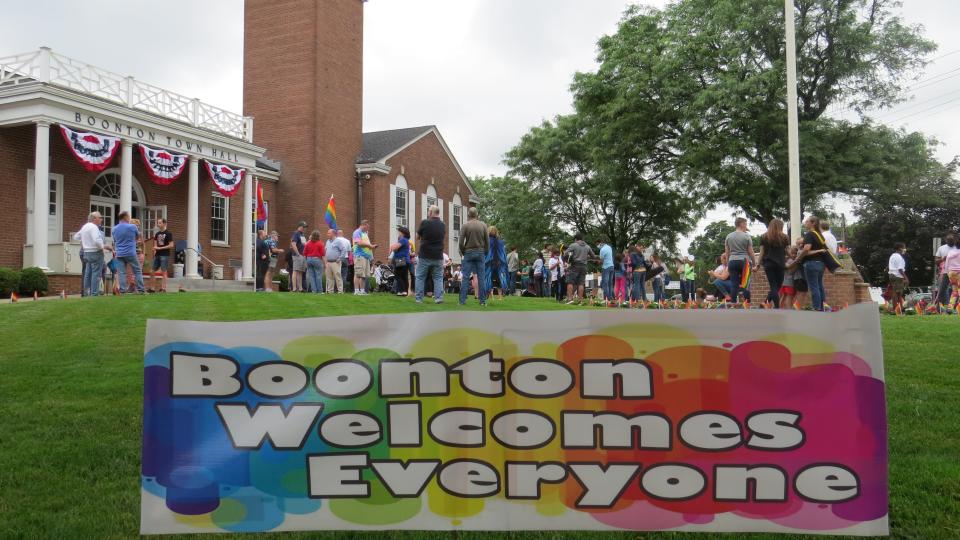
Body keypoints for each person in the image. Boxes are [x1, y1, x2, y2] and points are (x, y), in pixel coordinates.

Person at [414, 205, 446, 304]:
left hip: (425, 255)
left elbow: (417, 237)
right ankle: (439, 298)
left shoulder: (425, 222)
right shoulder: (443, 225)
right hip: (438, 256)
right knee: (438, 278)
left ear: (431, 212)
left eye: (428, 211)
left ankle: (419, 299)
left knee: (420, 277)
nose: (428, 213)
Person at [74, 211, 110, 297]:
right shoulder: (94, 227)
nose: (101, 219)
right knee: (96, 274)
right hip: (95, 253)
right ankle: (94, 294)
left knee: (88, 273)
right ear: (94, 219)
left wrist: (85, 243)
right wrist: (104, 247)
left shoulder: (85, 226)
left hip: (87, 253)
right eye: (100, 218)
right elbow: (96, 240)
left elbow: (76, 236)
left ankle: (86, 293)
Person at [458, 207, 488, 305]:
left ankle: (462, 301)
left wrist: (463, 252)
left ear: (468, 215)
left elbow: (461, 242)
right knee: (481, 277)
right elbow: (487, 242)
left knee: (466, 277)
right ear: (477, 215)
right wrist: (485, 252)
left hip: (468, 252)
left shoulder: (465, 225)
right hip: (480, 252)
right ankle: (482, 301)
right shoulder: (483, 225)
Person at [799, 215, 829, 311]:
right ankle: (822, 306)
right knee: (820, 285)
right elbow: (821, 249)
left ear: (813, 223)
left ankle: (817, 308)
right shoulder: (820, 235)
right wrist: (819, 251)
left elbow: (807, 249)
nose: (805, 223)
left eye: (807, 221)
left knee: (813, 287)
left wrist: (799, 258)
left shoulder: (809, 234)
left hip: (811, 263)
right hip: (821, 264)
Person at [724, 217, 757, 304]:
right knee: (746, 285)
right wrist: (754, 264)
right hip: (744, 262)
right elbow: (751, 252)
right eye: (746, 224)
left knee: (734, 284)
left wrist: (728, 264)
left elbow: (727, 252)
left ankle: (733, 304)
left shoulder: (729, 236)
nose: (746, 226)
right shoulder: (746, 236)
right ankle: (747, 304)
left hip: (732, 262)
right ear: (741, 224)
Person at [759, 218, 790, 307]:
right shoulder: (785, 237)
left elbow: (762, 252)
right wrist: (793, 257)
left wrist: (758, 264)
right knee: (778, 286)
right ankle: (776, 306)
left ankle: (766, 302)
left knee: (773, 286)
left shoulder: (764, 236)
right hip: (780, 264)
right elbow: (787, 250)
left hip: (768, 264)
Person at [112, 211, 145, 294]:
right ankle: (140, 289)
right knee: (137, 270)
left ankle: (122, 290)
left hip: (119, 253)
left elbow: (115, 240)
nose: (129, 218)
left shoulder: (114, 228)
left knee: (122, 273)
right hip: (130, 252)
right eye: (128, 216)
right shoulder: (133, 227)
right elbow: (137, 237)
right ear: (125, 217)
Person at [564, 233, 596, 304]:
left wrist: (571, 257)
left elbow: (565, 253)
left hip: (575, 265)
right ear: (582, 239)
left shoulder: (573, 245)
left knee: (570, 282)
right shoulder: (587, 246)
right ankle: (580, 300)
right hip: (584, 266)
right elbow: (593, 256)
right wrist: (586, 257)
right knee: (581, 283)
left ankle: (570, 299)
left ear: (575, 239)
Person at [352, 220, 377, 295]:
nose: (368, 228)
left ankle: (362, 291)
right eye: (367, 227)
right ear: (363, 225)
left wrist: (371, 255)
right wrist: (370, 246)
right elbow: (358, 243)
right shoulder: (357, 232)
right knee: (358, 273)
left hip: (366, 257)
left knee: (364, 275)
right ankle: (356, 291)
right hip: (359, 255)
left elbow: (366, 244)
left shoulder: (365, 233)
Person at [484, 226, 508, 302]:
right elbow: (503, 253)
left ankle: (491, 297)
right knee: (500, 279)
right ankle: (501, 297)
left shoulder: (486, 241)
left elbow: (485, 252)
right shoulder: (501, 242)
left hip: (489, 262)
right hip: (499, 263)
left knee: (488, 279)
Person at [149, 218, 173, 293]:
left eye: (160, 223)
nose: (158, 224)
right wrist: (155, 249)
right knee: (152, 271)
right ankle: (152, 289)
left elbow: (171, 245)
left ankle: (163, 288)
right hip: (157, 255)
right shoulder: (157, 234)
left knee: (164, 271)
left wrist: (160, 248)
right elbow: (156, 245)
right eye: (158, 223)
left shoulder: (168, 234)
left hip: (165, 255)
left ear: (164, 224)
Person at [390, 226, 412, 297]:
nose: (398, 233)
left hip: (401, 259)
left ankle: (401, 291)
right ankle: (405, 291)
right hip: (406, 260)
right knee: (404, 276)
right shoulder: (406, 240)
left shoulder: (402, 240)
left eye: (399, 232)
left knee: (398, 275)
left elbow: (394, 248)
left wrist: (393, 247)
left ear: (402, 233)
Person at [935, 234, 955, 306]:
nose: (950, 242)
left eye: (952, 241)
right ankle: (939, 307)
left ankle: (953, 307)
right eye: (949, 241)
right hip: (945, 272)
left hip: (956, 272)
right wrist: (943, 259)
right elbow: (936, 261)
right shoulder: (941, 248)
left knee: (956, 290)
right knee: (942, 290)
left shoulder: (957, 248)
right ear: (946, 240)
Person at [303, 230, 326, 294]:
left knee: (311, 276)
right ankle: (320, 290)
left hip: (309, 259)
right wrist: (325, 263)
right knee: (318, 275)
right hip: (317, 259)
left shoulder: (308, 243)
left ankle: (314, 290)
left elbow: (304, 253)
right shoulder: (320, 243)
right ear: (319, 236)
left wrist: (305, 262)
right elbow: (323, 255)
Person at [887, 242, 908, 310]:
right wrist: (906, 278)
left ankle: (899, 307)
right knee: (896, 292)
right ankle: (896, 308)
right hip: (897, 276)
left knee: (897, 292)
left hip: (891, 275)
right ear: (900, 248)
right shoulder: (899, 257)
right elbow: (900, 269)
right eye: (904, 247)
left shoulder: (892, 256)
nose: (905, 249)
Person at [323, 229, 344, 293]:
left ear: (333, 234)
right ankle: (330, 291)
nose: (327, 234)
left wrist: (340, 258)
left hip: (336, 262)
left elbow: (343, 250)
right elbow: (325, 251)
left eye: (329, 233)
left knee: (337, 277)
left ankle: (340, 291)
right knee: (329, 277)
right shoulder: (327, 241)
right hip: (328, 262)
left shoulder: (338, 241)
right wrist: (325, 262)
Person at [290, 221, 307, 292]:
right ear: (300, 226)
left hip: (302, 255)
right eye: (303, 227)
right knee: (295, 271)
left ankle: (300, 288)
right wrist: (298, 254)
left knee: (300, 271)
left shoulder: (302, 234)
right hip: (297, 255)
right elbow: (293, 244)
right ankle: (294, 288)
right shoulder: (296, 233)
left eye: (305, 227)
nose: (304, 228)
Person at [944, 238, 960, 309]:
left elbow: (946, 264)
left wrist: (948, 272)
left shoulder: (950, 252)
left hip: (951, 273)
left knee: (954, 291)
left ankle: (950, 307)